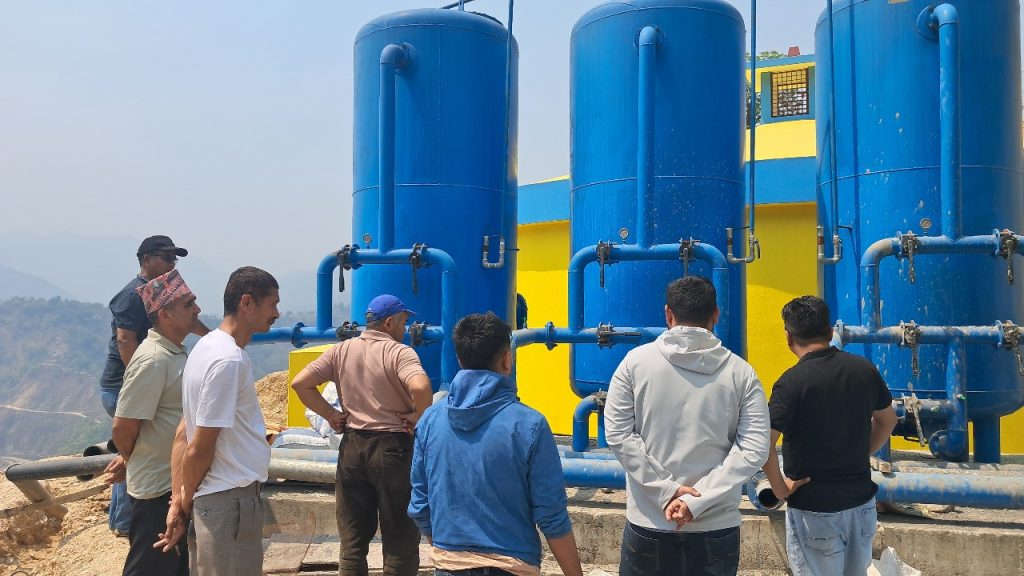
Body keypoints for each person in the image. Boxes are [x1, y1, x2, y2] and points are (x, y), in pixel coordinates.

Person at [605, 276, 770, 576]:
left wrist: (667, 491)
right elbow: (754, 449)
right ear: (716, 315)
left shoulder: (634, 364)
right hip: (715, 525)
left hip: (650, 521)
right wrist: (698, 499)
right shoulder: (741, 373)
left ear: (668, 313)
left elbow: (618, 435)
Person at [408, 312, 584, 576]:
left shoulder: (430, 420)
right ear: (507, 359)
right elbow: (551, 515)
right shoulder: (530, 424)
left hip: (448, 565)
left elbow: (420, 503)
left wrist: (451, 551)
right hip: (511, 566)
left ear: (460, 359)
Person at [291, 294, 433, 576]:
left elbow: (300, 383)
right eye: (403, 323)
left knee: (353, 541)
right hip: (394, 448)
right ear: (389, 323)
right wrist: (419, 417)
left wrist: (331, 415)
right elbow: (420, 387)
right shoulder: (400, 353)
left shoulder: (341, 350)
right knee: (400, 539)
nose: (405, 330)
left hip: (353, 448)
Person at [762, 296, 898, 576]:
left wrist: (780, 490)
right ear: (829, 331)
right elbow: (888, 420)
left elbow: (764, 444)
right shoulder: (862, 369)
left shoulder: (791, 383)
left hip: (814, 510)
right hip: (861, 506)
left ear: (788, 337)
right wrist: (861, 452)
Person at [170, 266, 280, 576]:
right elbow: (199, 447)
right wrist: (184, 504)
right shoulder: (228, 361)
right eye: (272, 304)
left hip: (217, 502)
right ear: (247, 303)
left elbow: (183, 433)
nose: (276, 314)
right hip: (228, 503)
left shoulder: (205, 348)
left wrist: (179, 498)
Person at [101, 235, 208, 536]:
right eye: (166, 257)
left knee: (141, 447)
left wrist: (218, 338)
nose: (172, 263)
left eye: (175, 258)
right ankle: (126, 521)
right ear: (146, 259)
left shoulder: (169, 321)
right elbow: (125, 340)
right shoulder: (132, 298)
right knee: (137, 448)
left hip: (148, 381)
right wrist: (144, 377)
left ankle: (127, 517)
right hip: (123, 384)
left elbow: (190, 321)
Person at [107, 269, 198, 575]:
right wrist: (132, 459)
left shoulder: (174, 353)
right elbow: (123, 426)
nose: (197, 309)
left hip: (173, 483)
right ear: (165, 314)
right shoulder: (153, 359)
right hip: (157, 489)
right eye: (188, 304)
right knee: (149, 567)